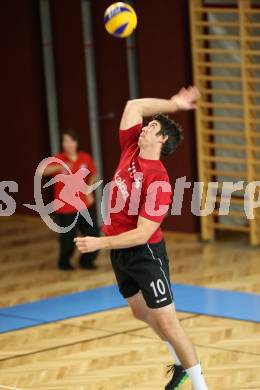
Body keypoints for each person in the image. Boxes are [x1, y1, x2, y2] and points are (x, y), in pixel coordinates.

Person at [75, 87, 208, 390]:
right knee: (140, 312)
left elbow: (143, 233)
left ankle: (200, 384)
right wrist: (173, 105)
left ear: (161, 140)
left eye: (153, 126)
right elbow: (134, 104)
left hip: (146, 253)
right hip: (120, 249)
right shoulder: (131, 148)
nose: (146, 126)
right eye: (148, 124)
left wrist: (99, 243)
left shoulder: (159, 180)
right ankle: (179, 362)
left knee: (169, 323)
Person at [43, 129, 100, 271]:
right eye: (65, 141)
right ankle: (64, 263)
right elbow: (43, 171)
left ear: (76, 143)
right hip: (65, 208)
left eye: (71, 140)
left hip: (82, 205)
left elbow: (93, 173)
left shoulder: (85, 157)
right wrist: (60, 166)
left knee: (94, 233)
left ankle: (87, 261)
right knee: (67, 239)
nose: (68, 144)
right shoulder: (58, 159)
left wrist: (89, 191)